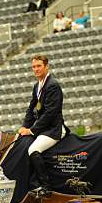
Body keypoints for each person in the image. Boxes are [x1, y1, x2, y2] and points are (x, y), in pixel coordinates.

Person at [19, 54, 69, 195]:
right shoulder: (37, 85)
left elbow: (50, 113)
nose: (36, 69)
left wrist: (32, 130)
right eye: (33, 67)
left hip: (54, 128)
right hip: (44, 128)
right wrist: (24, 126)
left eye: (39, 66)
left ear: (46, 66)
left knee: (33, 150)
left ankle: (46, 187)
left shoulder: (52, 85)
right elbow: (31, 108)